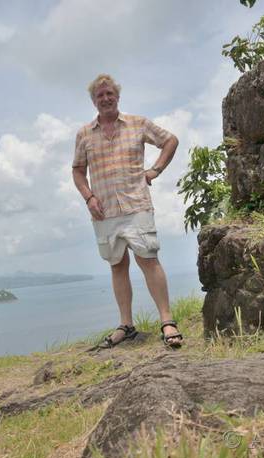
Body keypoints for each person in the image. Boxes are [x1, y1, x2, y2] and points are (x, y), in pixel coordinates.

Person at [72, 74, 183, 348]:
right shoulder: (84, 133)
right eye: (100, 96)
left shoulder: (138, 123)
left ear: (117, 96)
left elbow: (170, 140)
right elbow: (77, 170)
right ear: (94, 101)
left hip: (136, 204)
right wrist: (88, 197)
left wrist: (154, 170)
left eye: (109, 93)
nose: (106, 99)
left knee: (148, 260)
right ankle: (126, 325)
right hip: (104, 211)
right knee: (117, 265)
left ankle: (167, 322)